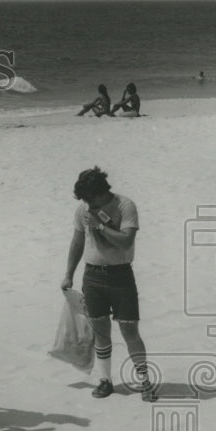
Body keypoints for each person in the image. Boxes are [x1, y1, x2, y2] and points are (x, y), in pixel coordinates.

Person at [61, 167, 156, 402]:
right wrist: (69, 274)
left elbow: (126, 242)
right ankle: (105, 381)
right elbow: (77, 241)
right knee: (100, 331)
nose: (87, 204)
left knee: (129, 332)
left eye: (90, 199)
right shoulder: (83, 209)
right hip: (92, 277)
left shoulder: (125, 206)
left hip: (120, 276)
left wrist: (100, 225)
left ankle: (145, 381)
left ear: (102, 193)